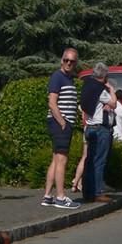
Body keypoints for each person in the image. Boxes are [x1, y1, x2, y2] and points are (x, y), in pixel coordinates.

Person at [44, 49, 80, 209]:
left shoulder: (69, 78)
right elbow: (52, 102)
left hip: (63, 122)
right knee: (62, 159)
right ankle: (60, 197)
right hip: (60, 123)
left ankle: (47, 196)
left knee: (56, 159)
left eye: (72, 61)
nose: (69, 63)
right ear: (61, 60)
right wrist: (62, 122)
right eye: (66, 60)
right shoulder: (57, 77)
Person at [79, 63, 115, 202]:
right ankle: (98, 192)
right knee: (99, 161)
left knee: (89, 161)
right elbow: (113, 104)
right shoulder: (100, 89)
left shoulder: (87, 85)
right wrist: (111, 89)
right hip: (100, 128)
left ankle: (87, 192)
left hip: (89, 127)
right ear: (105, 75)